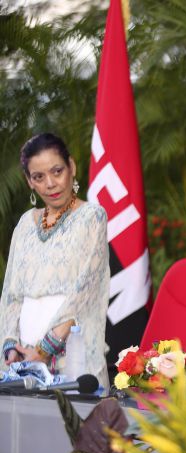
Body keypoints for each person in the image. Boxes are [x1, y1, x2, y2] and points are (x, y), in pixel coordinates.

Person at [1, 133, 111, 392]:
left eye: (57, 171)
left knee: (75, 430)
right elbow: (10, 295)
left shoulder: (92, 217)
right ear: (30, 182)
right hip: (22, 365)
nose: (50, 183)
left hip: (72, 359)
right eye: (39, 177)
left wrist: (44, 350)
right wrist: (9, 345)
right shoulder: (26, 224)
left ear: (71, 167)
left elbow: (84, 292)